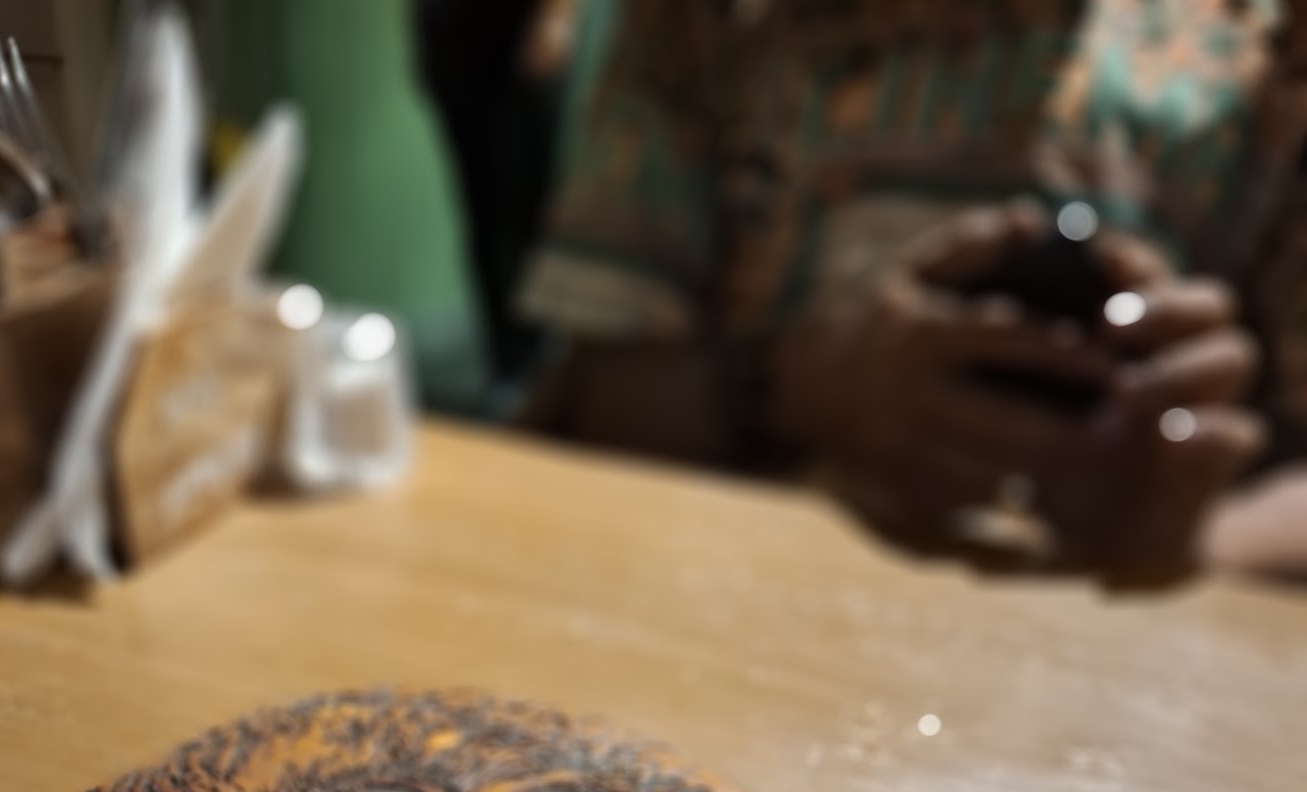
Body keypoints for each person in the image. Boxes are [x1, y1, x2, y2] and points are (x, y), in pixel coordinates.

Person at [520, 0, 1307, 585]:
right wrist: (812, 387)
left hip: (1119, 679)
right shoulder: (707, 17)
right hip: (737, 603)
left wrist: (1193, 538)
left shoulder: (1280, 47)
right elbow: (603, 397)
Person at [413, 0, 583, 394]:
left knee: (532, 207)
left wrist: (557, 16)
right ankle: (507, 362)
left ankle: (544, 361)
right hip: (450, 30)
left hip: (518, 27)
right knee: (480, 213)